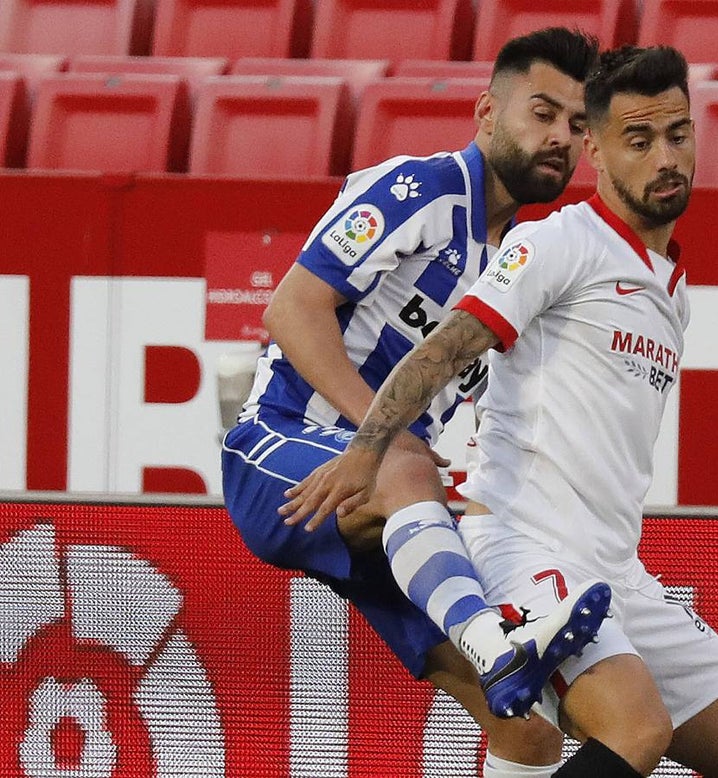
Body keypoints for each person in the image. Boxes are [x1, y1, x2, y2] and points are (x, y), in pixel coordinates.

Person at [281, 44, 718, 778]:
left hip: (618, 569)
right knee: (635, 730)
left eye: (678, 134)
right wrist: (367, 450)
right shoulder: (556, 243)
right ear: (596, 150)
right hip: (528, 551)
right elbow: (442, 350)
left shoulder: (670, 285)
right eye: (638, 141)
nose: (665, 157)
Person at [222, 28, 610, 778]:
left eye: (576, 125)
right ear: (486, 113)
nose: (560, 137)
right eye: (542, 112)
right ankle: (496, 642)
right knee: (403, 458)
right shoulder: (417, 190)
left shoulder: (518, 263)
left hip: (387, 508)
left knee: (527, 733)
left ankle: (491, 653)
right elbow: (292, 308)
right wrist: (380, 436)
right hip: (279, 449)